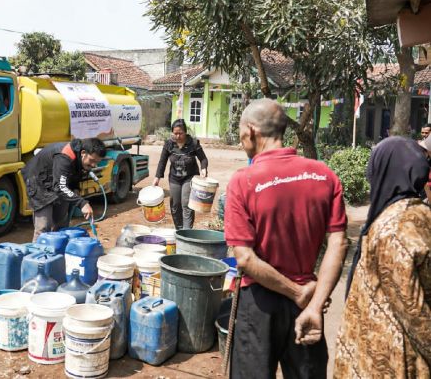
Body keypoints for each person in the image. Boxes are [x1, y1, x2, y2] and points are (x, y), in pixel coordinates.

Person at [224, 98, 348, 379]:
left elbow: (244, 257)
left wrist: (296, 293)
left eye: (241, 131)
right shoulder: (324, 175)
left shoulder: (243, 181)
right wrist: (313, 303)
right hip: (307, 304)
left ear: (251, 131)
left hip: (259, 303)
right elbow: (338, 243)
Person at [333, 137, 431, 378]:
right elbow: (410, 303)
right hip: (388, 352)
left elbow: (410, 307)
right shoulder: (407, 218)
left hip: (388, 355)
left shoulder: (397, 222)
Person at [21, 138, 106, 242]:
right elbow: (60, 187)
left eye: (97, 162)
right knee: (43, 228)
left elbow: (72, 178)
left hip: (58, 181)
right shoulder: (65, 156)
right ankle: (39, 255)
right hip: (38, 181)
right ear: (83, 153)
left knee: (61, 226)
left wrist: (75, 191)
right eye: (92, 161)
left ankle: (58, 254)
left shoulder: (81, 158)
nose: (93, 165)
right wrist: (82, 203)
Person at [153, 119, 208, 229]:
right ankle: (179, 230)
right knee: (175, 205)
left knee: (186, 204)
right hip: (174, 178)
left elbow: (203, 159)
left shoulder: (193, 143)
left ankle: (186, 232)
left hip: (189, 177)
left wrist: (204, 169)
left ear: (185, 132)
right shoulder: (169, 144)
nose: (178, 136)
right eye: (175, 133)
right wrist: (157, 177)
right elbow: (162, 161)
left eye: (180, 133)